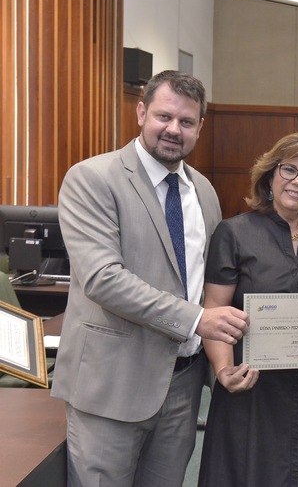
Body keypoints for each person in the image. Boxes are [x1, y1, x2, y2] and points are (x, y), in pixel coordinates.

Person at [51, 70, 251, 486]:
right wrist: (196, 319)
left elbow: (214, 277)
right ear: (141, 113)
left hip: (183, 385)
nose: (174, 129)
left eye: (186, 121)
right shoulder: (93, 178)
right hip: (112, 384)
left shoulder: (203, 191)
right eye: (164, 116)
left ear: (200, 127)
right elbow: (103, 279)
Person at [198, 132, 298, 486]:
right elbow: (215, 310)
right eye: (289, 170)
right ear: (271, 174)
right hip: (250, 388)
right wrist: (224, 370)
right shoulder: (233, 233)